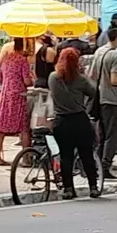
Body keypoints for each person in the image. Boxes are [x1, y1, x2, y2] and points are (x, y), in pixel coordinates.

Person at [47, 48, 100, 199]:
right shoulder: (80, 79)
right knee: (86, 154)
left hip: (61, 121)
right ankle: (93, 187)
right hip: (79, 120)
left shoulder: (53, 77)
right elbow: (93, 92)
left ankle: (68, 189)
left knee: (66, 156)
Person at [90, 27, 117, 180]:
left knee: (102, 134)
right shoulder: (115, 55)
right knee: (112, 135)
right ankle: (105, 166)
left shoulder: (99, 51)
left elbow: (92, 74)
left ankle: (97, 165)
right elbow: (115, 80)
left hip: (99, 97)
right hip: (111, 98)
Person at [0, 38, 34, 166]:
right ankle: (26, 159)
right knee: (23, 127)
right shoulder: (22, 60)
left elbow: (1, 78)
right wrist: (32, 80)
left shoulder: (5, 59)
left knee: (1, 126)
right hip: (18, 95)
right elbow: (27, 81)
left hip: (5, 94)